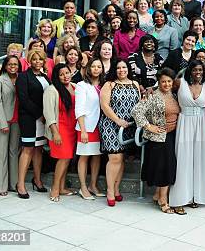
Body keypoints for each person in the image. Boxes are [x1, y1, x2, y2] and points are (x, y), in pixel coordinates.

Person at [131, 68, 181, 214]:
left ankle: (157, 195)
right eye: (163, 81)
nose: (166, 84)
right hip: (159, 138)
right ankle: (163, 201)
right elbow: (136, 111)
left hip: (171, 135)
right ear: (158, 82)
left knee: (166, 167)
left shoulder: (174, 95)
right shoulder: (152, 95)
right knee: (164, 169)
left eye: (169, 81)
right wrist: (148, 126)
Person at [169, 60, 205, 209]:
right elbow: (165, 88)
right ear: (189, 71)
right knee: (183, 157)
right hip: (185, 121)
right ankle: (182, 197)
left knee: (200, 158)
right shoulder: (180, 82)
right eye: (195, 70)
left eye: (200, 70)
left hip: (202, 123)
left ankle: (197, 196)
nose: (198, 73)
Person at [99, 60, 140, 206]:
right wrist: (117, 120)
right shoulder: (109, 84)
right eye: (118, 68)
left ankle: (116, 189)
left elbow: (138, 104)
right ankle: (110, 191)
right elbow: (104, 105)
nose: (121, 70)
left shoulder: (135, 84)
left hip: (128, 127)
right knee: (115, 158)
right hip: (111, 124)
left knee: (121, 158)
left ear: (128, 69)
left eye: (124, 67)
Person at [16, 49, 50, 198]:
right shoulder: (23, 77)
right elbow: (24, 100)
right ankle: (21, 184)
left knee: (38, 149)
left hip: (42, 120)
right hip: (29, 118)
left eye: (40, 59)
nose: (37, 62)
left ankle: (37, 180)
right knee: (28, 149)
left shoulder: (45, 77)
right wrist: (40, 115)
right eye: (34, 59)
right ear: (29, 61)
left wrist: (45, 116)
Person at [43, 64, 77, 202]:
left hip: (72, 128)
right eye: (61, 74)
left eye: (67, 73)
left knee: (68, 158)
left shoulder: (75, 87)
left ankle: (62, 187)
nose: (65, 76)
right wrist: (55, 132)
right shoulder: (52, 90)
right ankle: (55, 188)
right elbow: (48, 113)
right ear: (57, 77)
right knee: (63, 158)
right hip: (59, 128)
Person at [75, 58, 105, 200]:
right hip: (86, 126)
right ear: (88, 68)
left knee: (97, 156)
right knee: (84, 157)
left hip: (99, 126)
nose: (96, 69)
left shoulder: (104, 85)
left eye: (99, 66)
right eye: (93, 66)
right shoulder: (82, 85)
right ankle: (83, 187)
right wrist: (83, 130)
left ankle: (93, 185)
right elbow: (79, 109)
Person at [0, 55, 21, 196]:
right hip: (2, 121)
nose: (13, 67)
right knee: (0, 153)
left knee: (14, 153)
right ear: (5, 65)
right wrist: (2, 123)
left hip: (17, 120)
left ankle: (14, 184)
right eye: (10, 64)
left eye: (15, 64)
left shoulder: (21, 78)